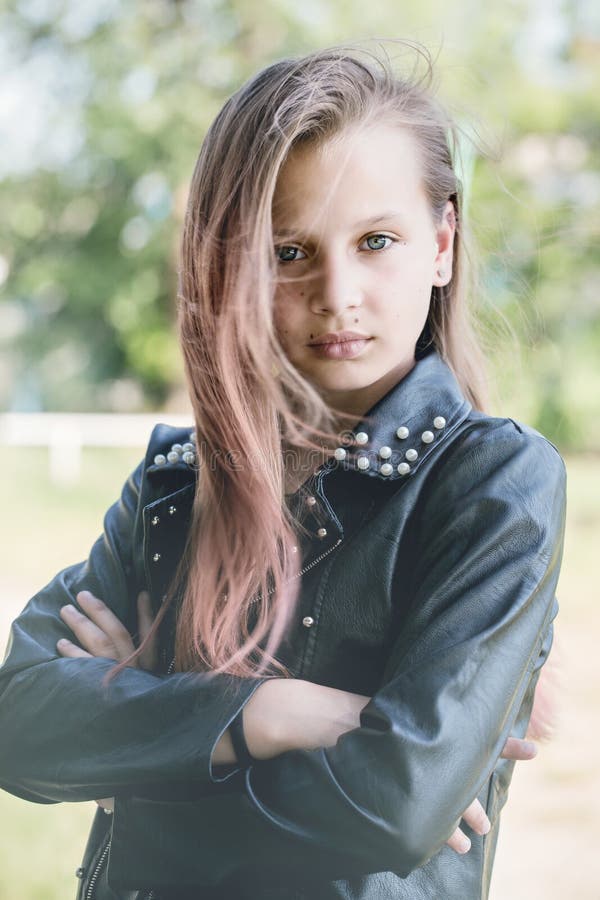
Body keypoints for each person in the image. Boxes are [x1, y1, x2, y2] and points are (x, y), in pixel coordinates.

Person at [0, 42, 566, 900]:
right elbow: (20, 722)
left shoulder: (494, 485)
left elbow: (393, 809)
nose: (338, 292)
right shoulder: (175, 487)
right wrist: (262, 714)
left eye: (377, 240)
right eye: (290, 253)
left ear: (442, 243)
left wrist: (141, 739)